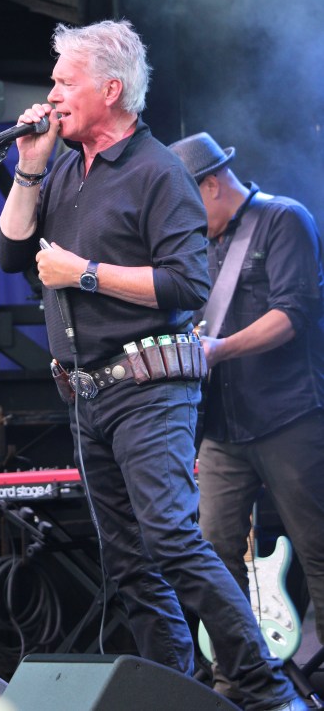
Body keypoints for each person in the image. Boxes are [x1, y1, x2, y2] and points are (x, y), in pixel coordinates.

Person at [0, 18, 306, 711]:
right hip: (86, 394)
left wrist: (86, 273)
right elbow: (12, 253)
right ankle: (176, 694)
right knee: (128, 562)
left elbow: (187, 284)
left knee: (170, 537)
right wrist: (28, 166)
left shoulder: (158, 171)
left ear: (110, 90)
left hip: (150, 388)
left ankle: (266, 690)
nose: (51, 93)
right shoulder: (62, 168)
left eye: (64, 81)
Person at [168, 132, 324, 687]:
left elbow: (292, 315)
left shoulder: (284, 220)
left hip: (289, 420)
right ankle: (237, 683)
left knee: (319, 550)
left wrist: (219, 349)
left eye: (186, 205)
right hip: (222, 431)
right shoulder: (200, 246)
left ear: (211, 185)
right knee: (211, 557)